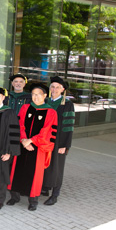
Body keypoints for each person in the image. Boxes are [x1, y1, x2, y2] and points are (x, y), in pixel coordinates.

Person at [8, 83, 58, 211]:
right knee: (17, 170)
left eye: (38, 95)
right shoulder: (25, 108)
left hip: (38, 147)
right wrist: (24, 140)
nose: (35, 97)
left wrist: (31, 141)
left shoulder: (50, 112)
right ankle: (15, 196)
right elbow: (20, 125)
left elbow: (47, 131)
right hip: (23, 144)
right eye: (33, 94)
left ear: (45, 96)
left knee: (35, 174)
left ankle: (33, 200)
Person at [42, 76, 75, 205]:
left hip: (59, 142)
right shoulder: (46, 102)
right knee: (45, 165)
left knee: (57, 168)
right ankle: (44, 187)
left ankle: (55, 194)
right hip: (45, 141)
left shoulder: (67, 104)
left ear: (62, 90)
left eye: (57, 87)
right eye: (52, 87)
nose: (54, 89)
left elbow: (69, 126)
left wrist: (65, 145)